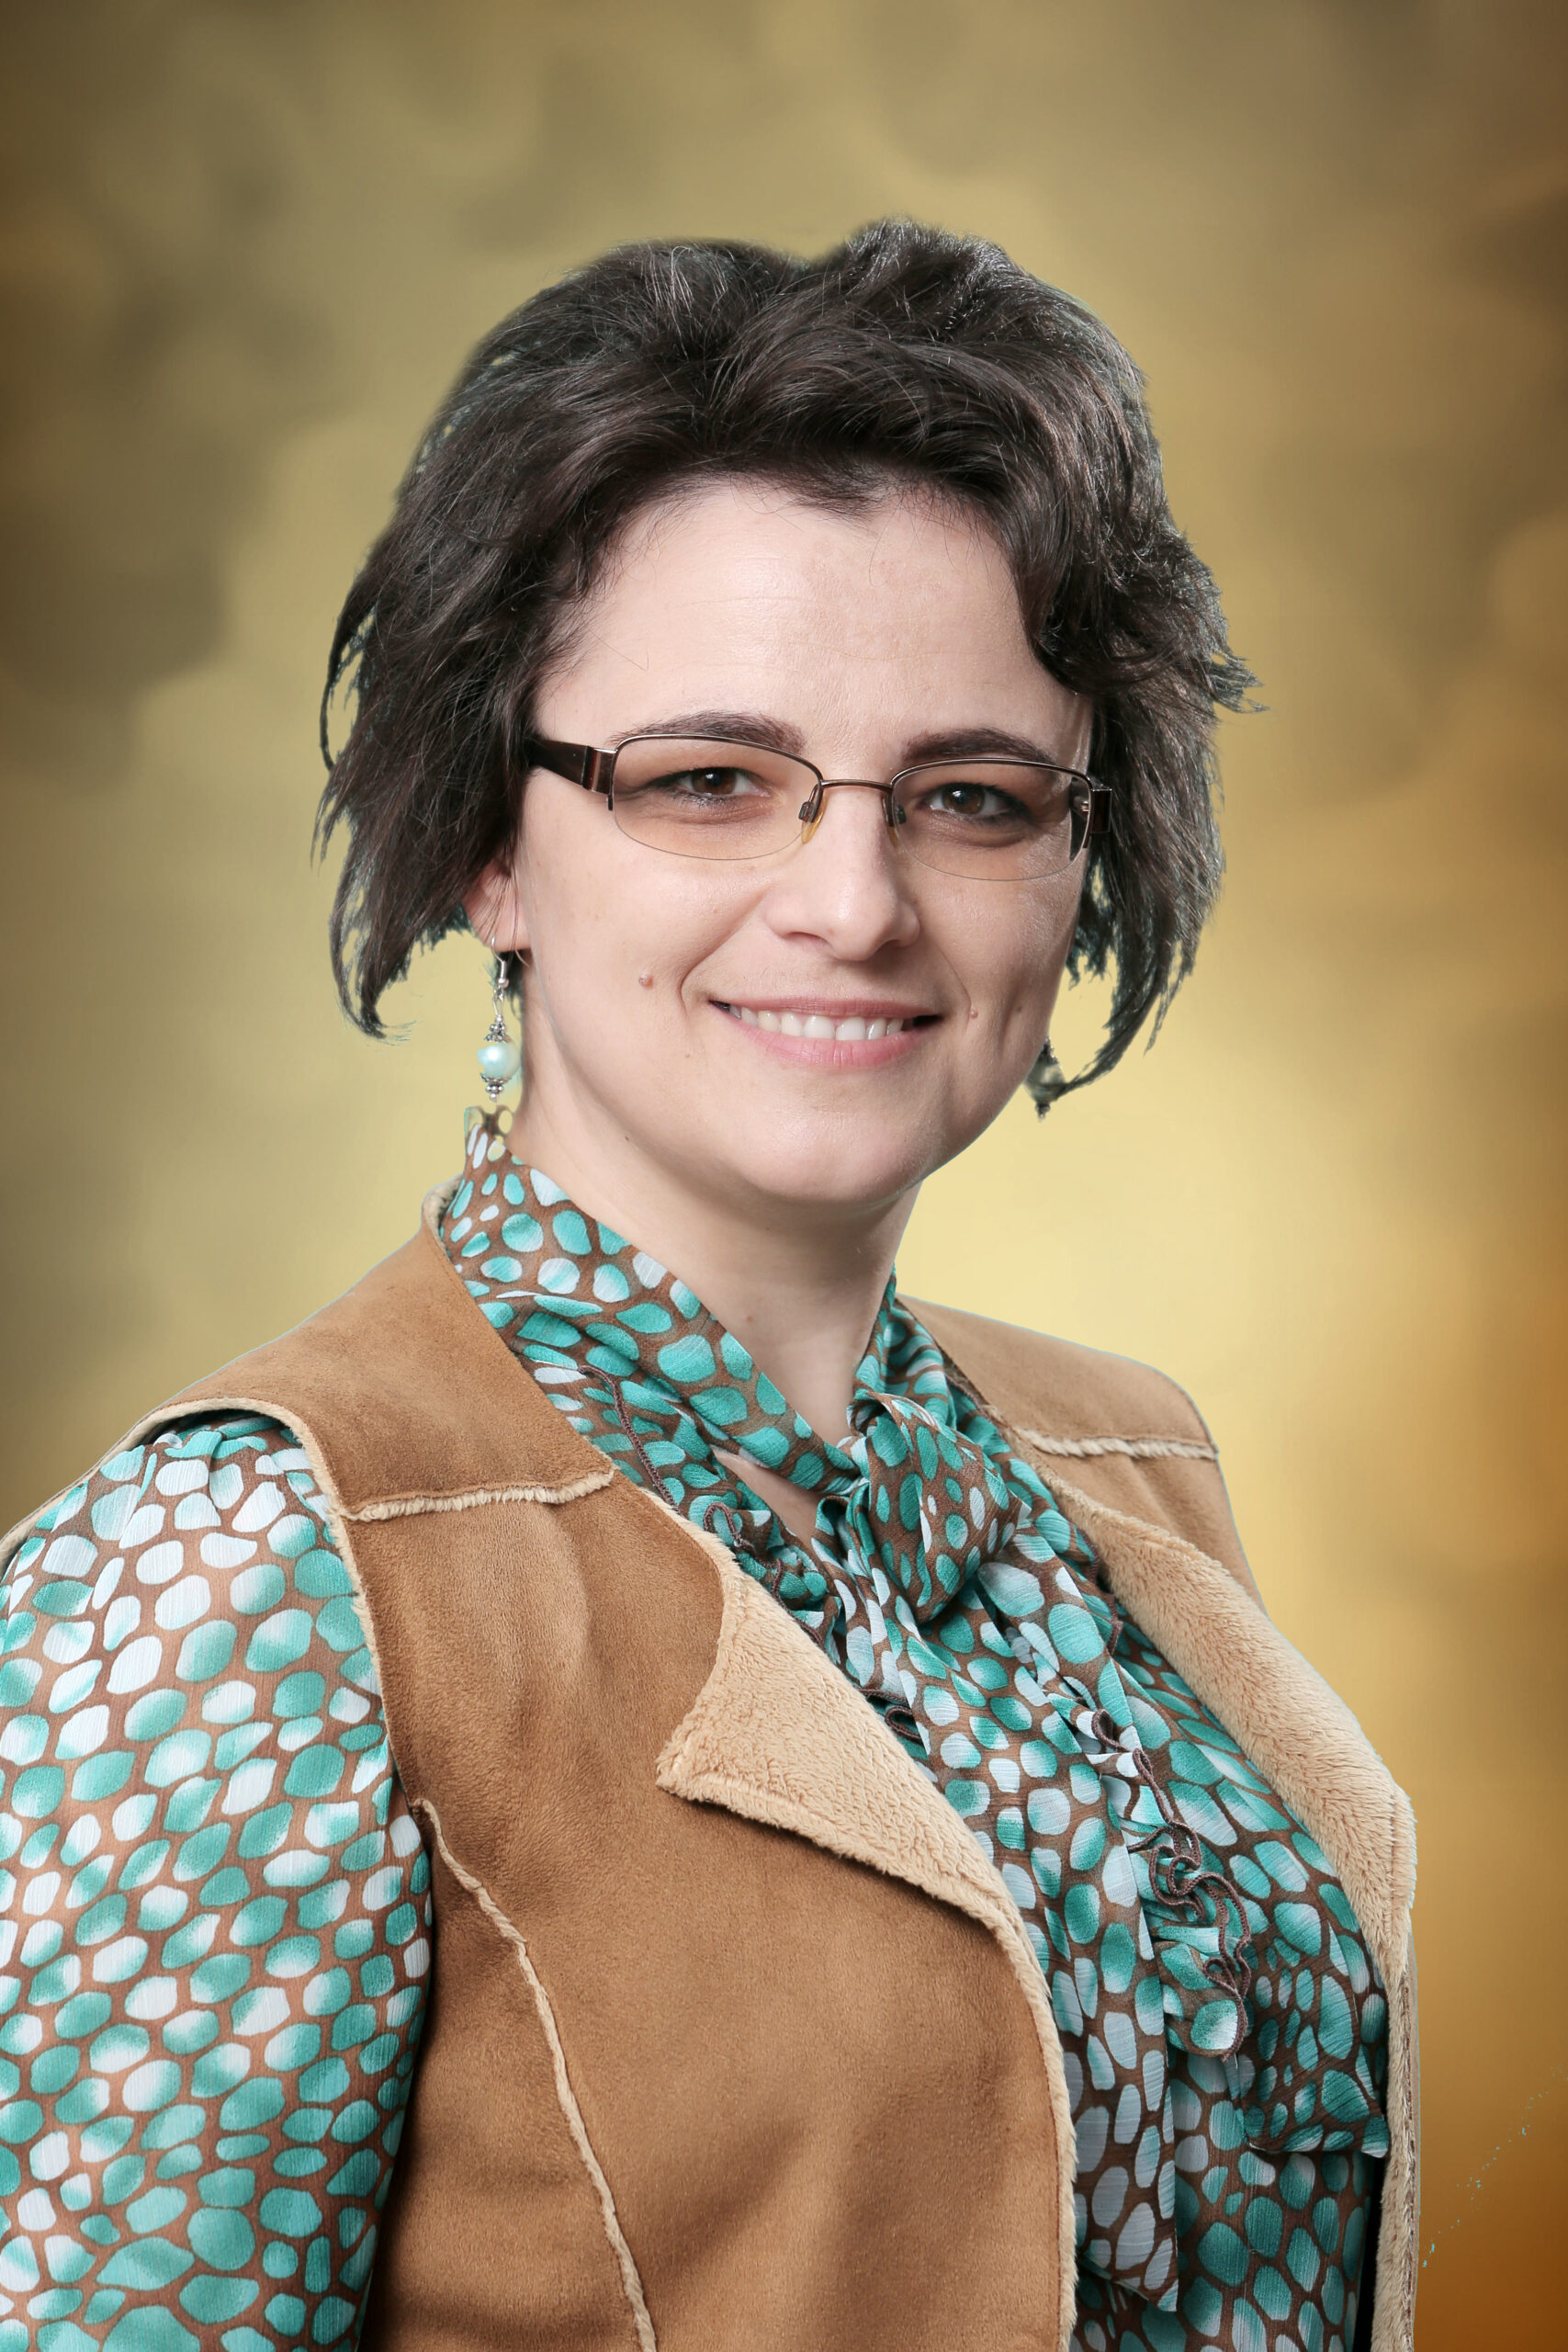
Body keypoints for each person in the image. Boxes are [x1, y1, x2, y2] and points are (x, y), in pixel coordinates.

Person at [0, 223, 1416, 2352]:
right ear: (489, 842)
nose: (851, 898)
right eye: (705, 781)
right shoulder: (248, 1569)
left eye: (968, 795)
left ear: (1077, 862)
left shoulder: (1127, 1470)